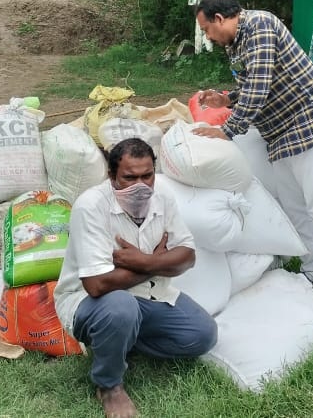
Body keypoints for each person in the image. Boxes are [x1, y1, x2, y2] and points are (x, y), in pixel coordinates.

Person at [192, 0, 313, 296]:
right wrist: (227, 98)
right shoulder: (236, 42)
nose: (208, 37)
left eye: (206, 30)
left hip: (309, 123)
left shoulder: (260, 26)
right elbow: (249, 83)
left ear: (219, 19)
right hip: (281, 132)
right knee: (295, 207)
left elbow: (259, 84)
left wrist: (228, 130)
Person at [54, 137, 217, 418]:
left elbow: (188, 256)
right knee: (120, 308)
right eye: (129, 177)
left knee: (202, 335)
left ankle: (119, 341)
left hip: (148, 295)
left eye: (147, 176)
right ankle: (109, 385)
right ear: (111, 176)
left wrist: (144, 261)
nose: (140, 185)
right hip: (88, 303)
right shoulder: (90, 206)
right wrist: (160, 261)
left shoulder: (163, 198)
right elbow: (96, 285)